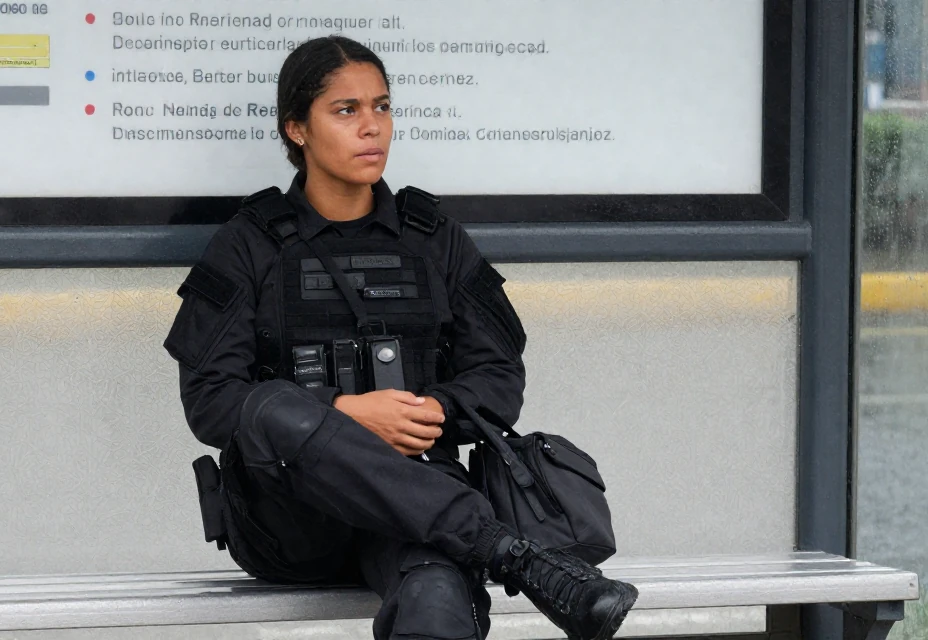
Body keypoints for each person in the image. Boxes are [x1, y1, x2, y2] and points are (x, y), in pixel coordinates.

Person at [164, 35, 638, 640]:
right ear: (297, 130)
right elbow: (210, 398)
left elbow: (499, 377)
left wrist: (431, 409)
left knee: (439, 594)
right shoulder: (248, 243)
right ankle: (511, 553)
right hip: (292, 523)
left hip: (417, 511)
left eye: (382, 107)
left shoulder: (434, 238)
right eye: (346, 110)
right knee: (271, 407)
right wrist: (347, 414)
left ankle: (490, 548)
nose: (372, 128)